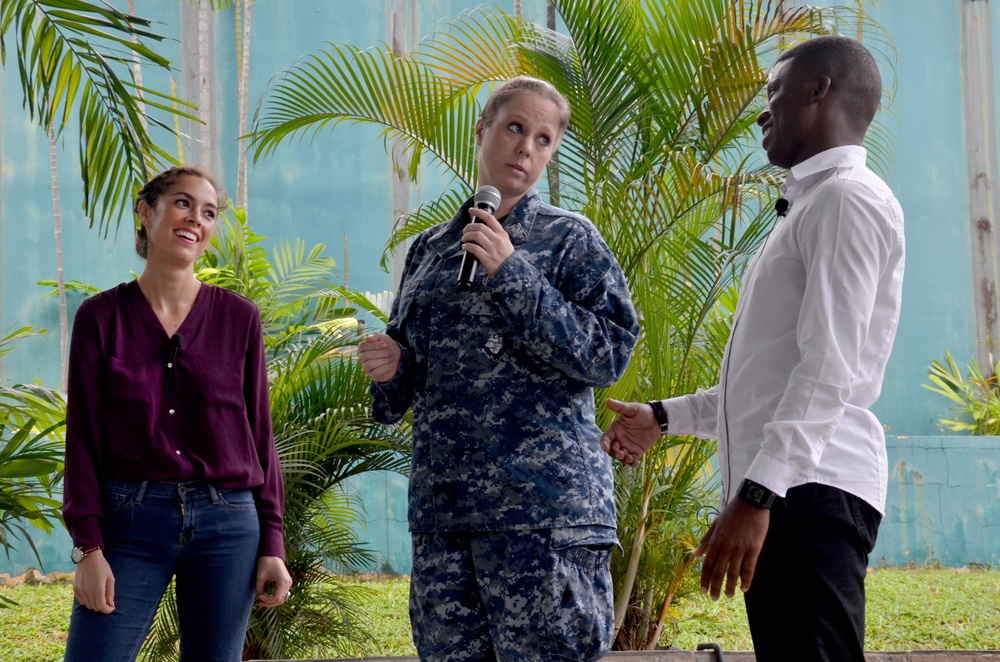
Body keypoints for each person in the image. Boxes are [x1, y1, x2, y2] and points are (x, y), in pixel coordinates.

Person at [601, 35, 904, 662]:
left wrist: (758, 495)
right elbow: (768, 382)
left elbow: (828, 373)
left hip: (809, 493)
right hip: (793, 489)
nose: (762, 113)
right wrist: (663, 417)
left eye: (773, 93)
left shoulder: (846, 200)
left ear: (819, 89)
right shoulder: (812, 204)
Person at [358, 76, 639, 661]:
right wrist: (391, 370)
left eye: (542, 140)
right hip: (445, 518)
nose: (526, 149)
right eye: (515, 128)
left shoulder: (570, 242)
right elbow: (406, 386)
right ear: (482, 130)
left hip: (543, 517)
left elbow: (608, 353)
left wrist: (513, 275)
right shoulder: (432, 250)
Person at [62, 166, 293, 662]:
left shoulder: (239, 318)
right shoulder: (100, 319)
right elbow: (81, 439)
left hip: (228, 523)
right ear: (147, 212)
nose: (197, 219)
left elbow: (260, 436)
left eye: (209, 212)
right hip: (130, 520)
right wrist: (88, 546)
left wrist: (273, 542)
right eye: (184, 203)